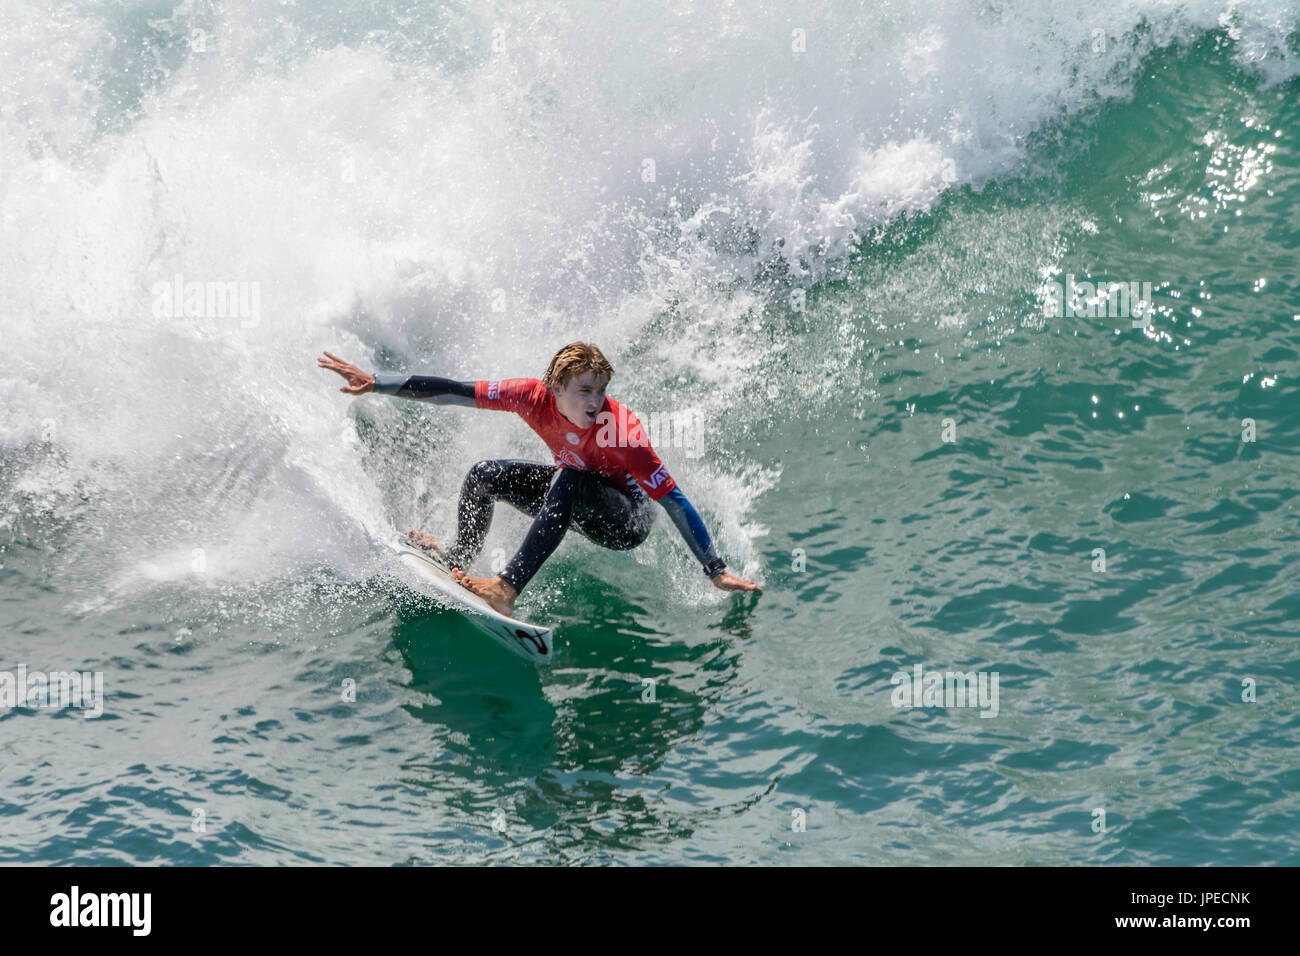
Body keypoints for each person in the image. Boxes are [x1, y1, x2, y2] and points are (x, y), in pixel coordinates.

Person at [318, 342, 762, 616]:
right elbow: (454, 390)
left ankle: (506, 588)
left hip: (626, 521)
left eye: (601, 389)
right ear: (555, 389)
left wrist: (716, 571)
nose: (596, 401)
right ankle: (460, 553)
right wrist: (377, 382)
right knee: (485, 475)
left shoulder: (622, 435)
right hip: (575, 491)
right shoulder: (528, 397)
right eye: (585, 390)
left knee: (568, 478)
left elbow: (674, 502)